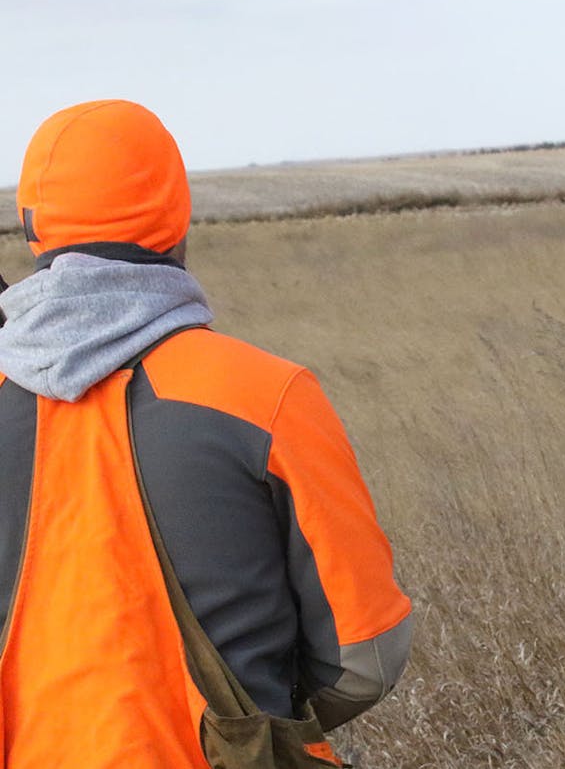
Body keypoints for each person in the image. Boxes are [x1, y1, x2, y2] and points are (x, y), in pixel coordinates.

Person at [0, 100, 413, 767]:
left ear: (31, 229)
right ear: (176, 220)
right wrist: (254, 716)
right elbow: (366, 657)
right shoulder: (267, 396)